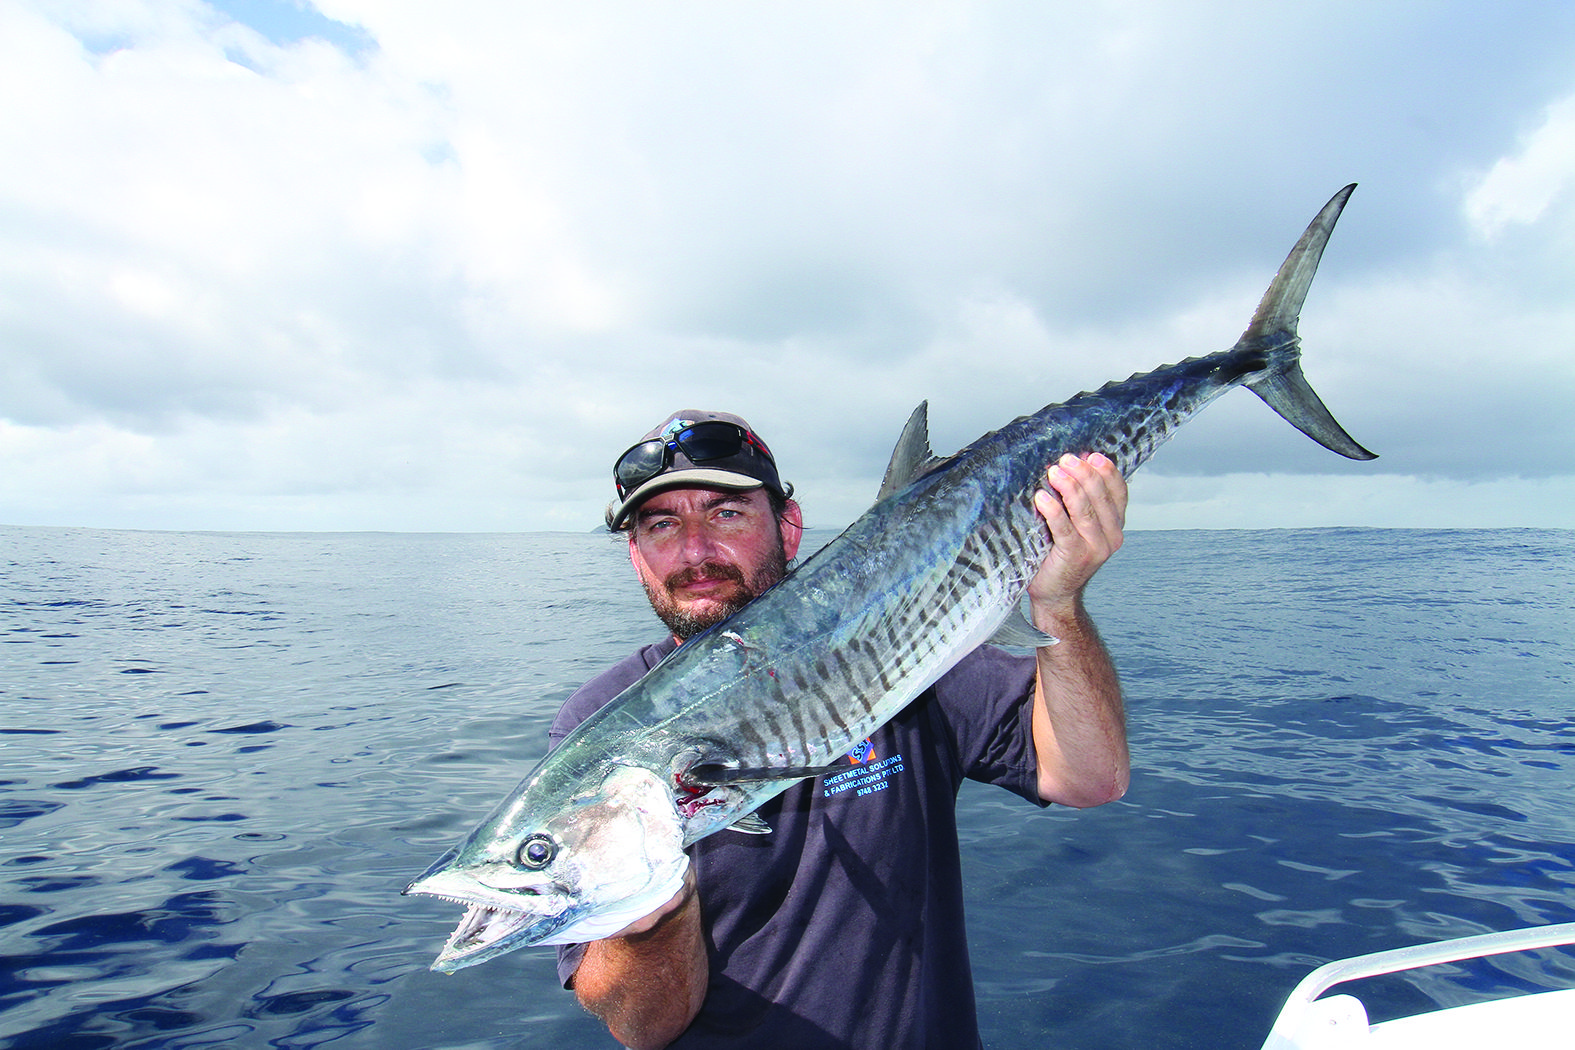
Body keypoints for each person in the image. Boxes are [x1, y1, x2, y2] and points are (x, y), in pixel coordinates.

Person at [548, 409, 1130, 1050]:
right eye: (662, 525)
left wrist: (1059, 603)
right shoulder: (598, 724)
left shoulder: (911, 644)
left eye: (726, 514)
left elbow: (1089, 778)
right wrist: (650, 912)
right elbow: (643, 1027)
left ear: (789, 529)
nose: (694, 549)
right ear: (637, 556)